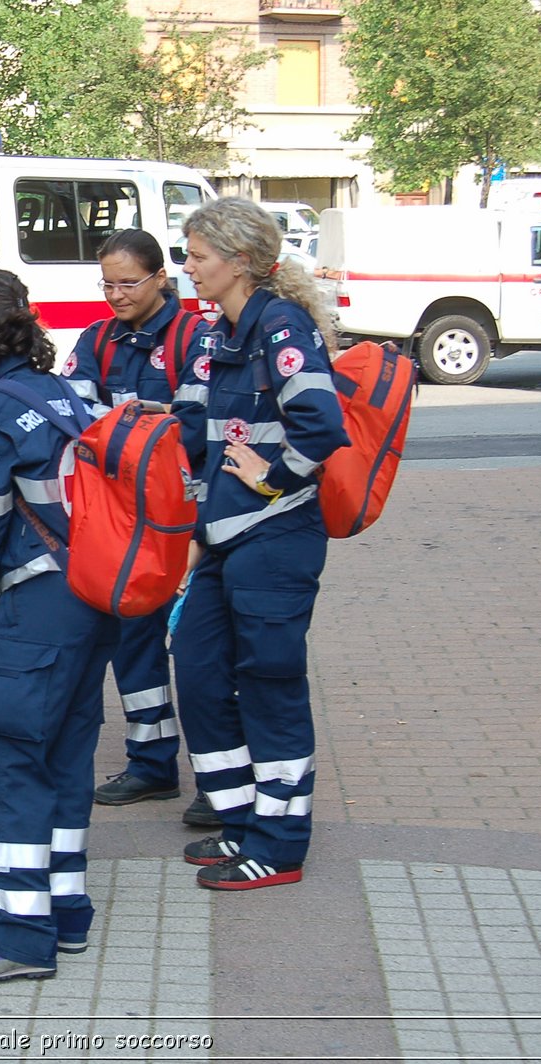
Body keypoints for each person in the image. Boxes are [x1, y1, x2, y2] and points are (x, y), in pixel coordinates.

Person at [0, 268, 119, 983]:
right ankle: (66, 911)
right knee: (69, 757)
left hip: (35, 605)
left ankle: (18, 935)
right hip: (92, 593)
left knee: (12, 764)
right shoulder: (63, 391)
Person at [171, 196, 348, 891]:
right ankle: (241, 818)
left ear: (239, 262)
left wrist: (273, 478)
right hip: (223, 536)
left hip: (275, 537)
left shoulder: (281, 326)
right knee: (201, 669)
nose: (188, 269)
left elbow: (322, 424)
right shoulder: (224, 330)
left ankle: (279, 842)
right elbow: (196, 419)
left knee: (270, 684)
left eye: (197, 257)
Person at [59, 229, 204, 814]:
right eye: (107, 283)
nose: (115, 294)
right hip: (119, 519)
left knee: (198, 646)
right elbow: (73, 414)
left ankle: (214, 774)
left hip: (185, 518)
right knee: (133, 639)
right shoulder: (97, 339)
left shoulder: (196, 338)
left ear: (160, 279)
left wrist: (127, 421)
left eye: (128, 283)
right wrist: (141, 420)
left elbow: (195, 424)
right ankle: (152, 763)